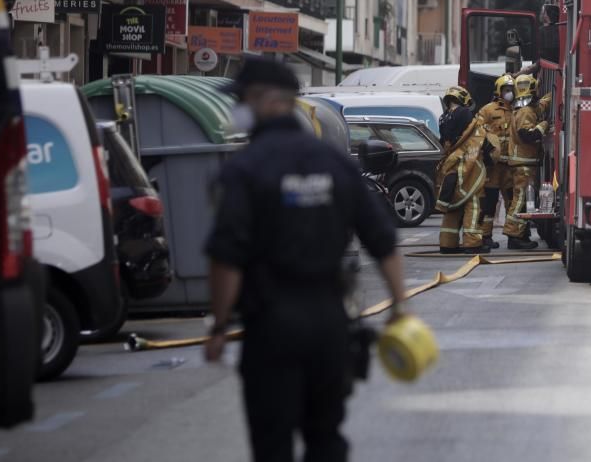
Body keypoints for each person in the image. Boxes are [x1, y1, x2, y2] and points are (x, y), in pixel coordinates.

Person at [203, 56, 407, 462]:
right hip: (331, 325)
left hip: (270, 327)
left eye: (241, 99)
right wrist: (400, 308)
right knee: (326, 438)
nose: (237, 109)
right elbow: (384, 242)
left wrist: (220, 325)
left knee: (272, 443)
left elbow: (226, 258)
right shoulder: (334, 164)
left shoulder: (244, 169)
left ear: (262, 100)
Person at [436, 86, 493, 254]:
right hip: (467, 166)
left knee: (453, 207)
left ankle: (448, 243)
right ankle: (472, 243)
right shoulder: (464, 114)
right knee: (473, 204)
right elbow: (477, 137)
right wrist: (489, 156)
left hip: (452, 163)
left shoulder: (443, 117)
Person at [501, 74, 548, 250]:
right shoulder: (525, 112)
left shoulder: (522, 109)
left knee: (521, 200)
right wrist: (542, 126)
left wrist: (548, 98)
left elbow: (540, 105)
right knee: (520, 201)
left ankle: (520, 233)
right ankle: (515, 236)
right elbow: (527, 135)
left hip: (522, 163)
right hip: (524, 165)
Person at [476, 74, 516, 249]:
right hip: (493, 168)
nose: (509, 93)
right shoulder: (487, 111)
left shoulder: (517, 110)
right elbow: (478, 133)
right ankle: (486, 236)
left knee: (513, 202)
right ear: (499, 91)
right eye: (506, 90)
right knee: (489, 203)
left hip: (511, 167)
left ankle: (515, 235)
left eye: (511, 90)